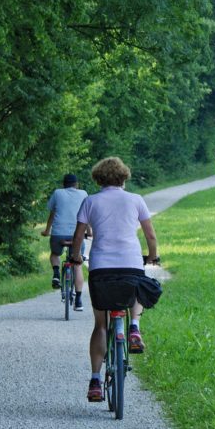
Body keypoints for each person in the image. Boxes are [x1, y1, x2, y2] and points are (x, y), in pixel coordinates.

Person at [69, 157, 161, 403]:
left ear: (98, 179)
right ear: (124, 177)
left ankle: (96, 381)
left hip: (101, 268)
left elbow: (79, 236)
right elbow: (150, 236)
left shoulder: (90, 201)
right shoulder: (136, 200)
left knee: (100, 325)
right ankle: (134, 328)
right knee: (137, 287)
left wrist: (76, 257)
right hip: (130, 262)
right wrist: (153, 257)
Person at [41, 173, 89, 310]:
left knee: (55, 254)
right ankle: (79, 300)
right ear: (77, 184)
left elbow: (53, 212)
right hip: (77, 235)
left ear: (64, 184)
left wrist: (47, 230)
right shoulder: (84, 193)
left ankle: (56, 274)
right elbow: (86, 216)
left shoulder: (57, 193)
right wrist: (89, 231)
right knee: (77, 264)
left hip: (58, 234)